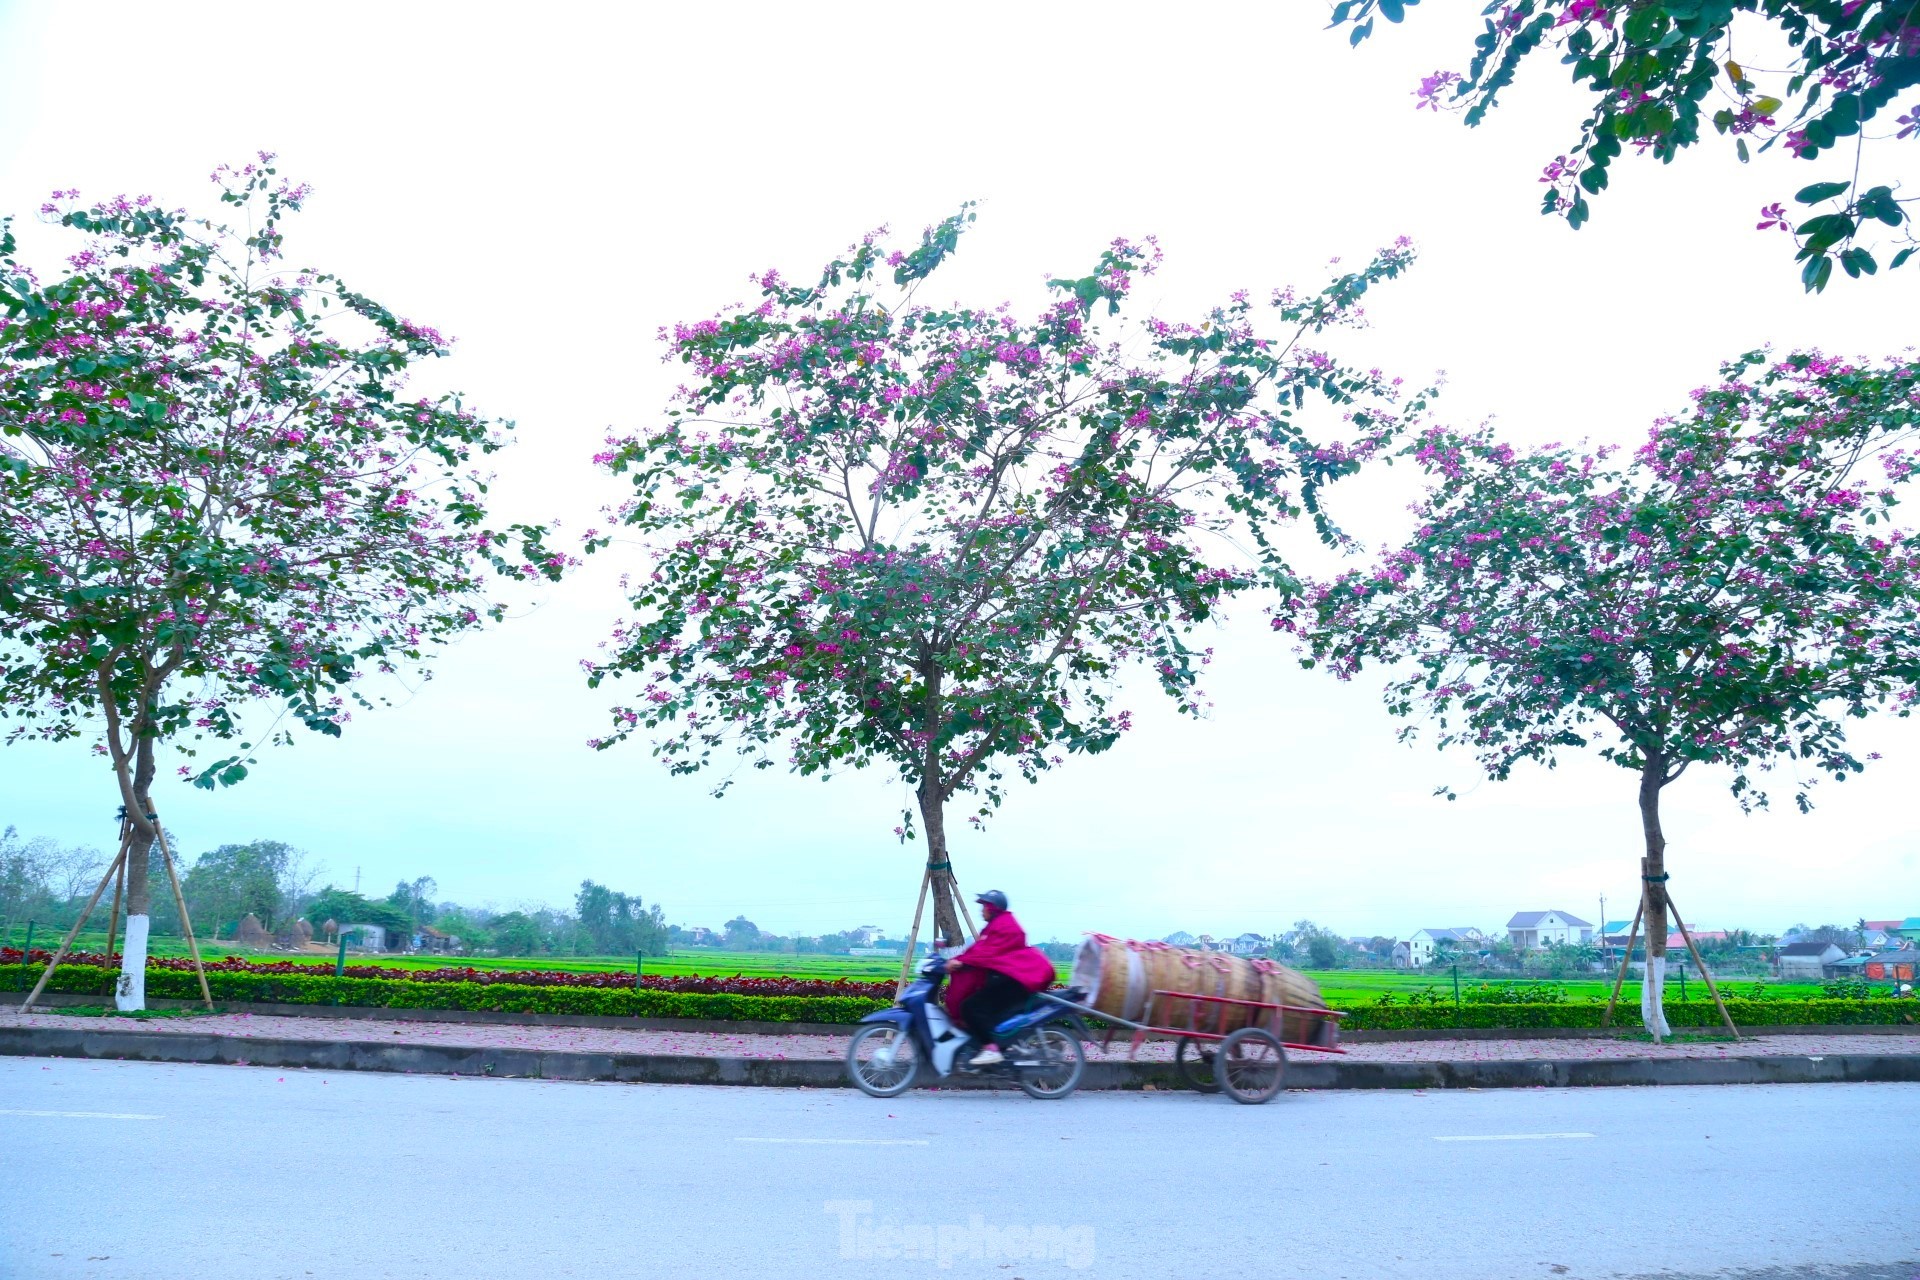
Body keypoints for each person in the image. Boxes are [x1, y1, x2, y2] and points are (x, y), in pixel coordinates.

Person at [942, 890, 1056, 1066]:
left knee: (970, 1007)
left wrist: (960, 962)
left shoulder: (1004, 926)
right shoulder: (997, 925)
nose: (982, 910)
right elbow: (981, 951)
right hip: (1006, 978)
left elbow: (987, 953)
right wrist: (960, 961)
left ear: (993, 908)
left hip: (1014, 982)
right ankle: (985, 1044)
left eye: (985, 906)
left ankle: (990, 1048)